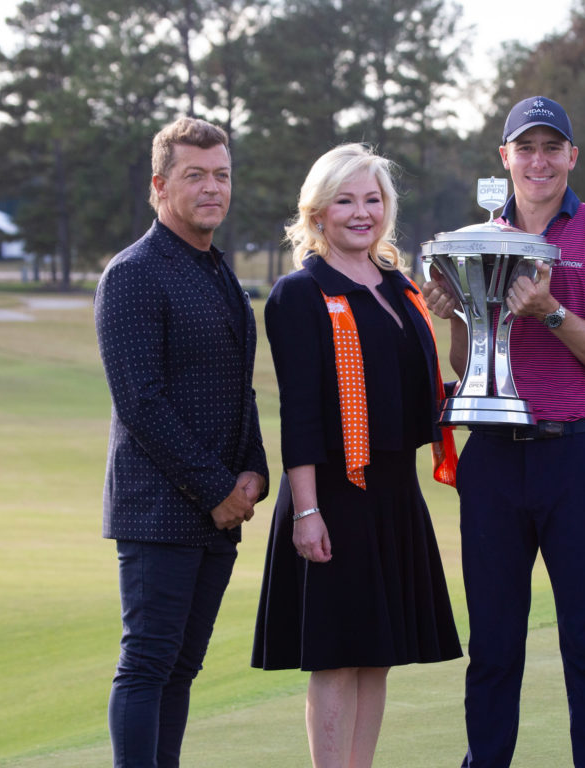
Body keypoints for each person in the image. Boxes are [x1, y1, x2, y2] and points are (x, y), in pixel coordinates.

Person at [423, 96, 585, 768]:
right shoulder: (481, 241)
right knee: (492, 645)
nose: (539, 161)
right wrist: (455, 314)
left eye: (553, 148)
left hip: (574, 456)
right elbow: (471, 365)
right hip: (492, 460)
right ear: (506, 158)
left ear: (572, 157)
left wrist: (550, 311)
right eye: (527, 148)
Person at [251, 143, 463, 768]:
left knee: (377, 651)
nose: (361, 212)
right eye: (345, 200)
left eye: (372, 199)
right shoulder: (300, 294)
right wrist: (306, 513)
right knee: (338, 652)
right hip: (335, 494)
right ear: (318, 213)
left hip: (394, 489)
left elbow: (421, 385)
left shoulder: (402, 288)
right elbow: (301, 412)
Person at [95, 116, 269, 767]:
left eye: (221, 175)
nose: (211, 188)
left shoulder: (218, 271)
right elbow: (141, 402)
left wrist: (252, 470)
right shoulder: (134, 273)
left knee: (181, 669)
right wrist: (217, 488)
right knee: (147, 666)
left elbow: (238, 388)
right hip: (161, 509)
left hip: (218, 509)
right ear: (159, 185)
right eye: (194, 175)